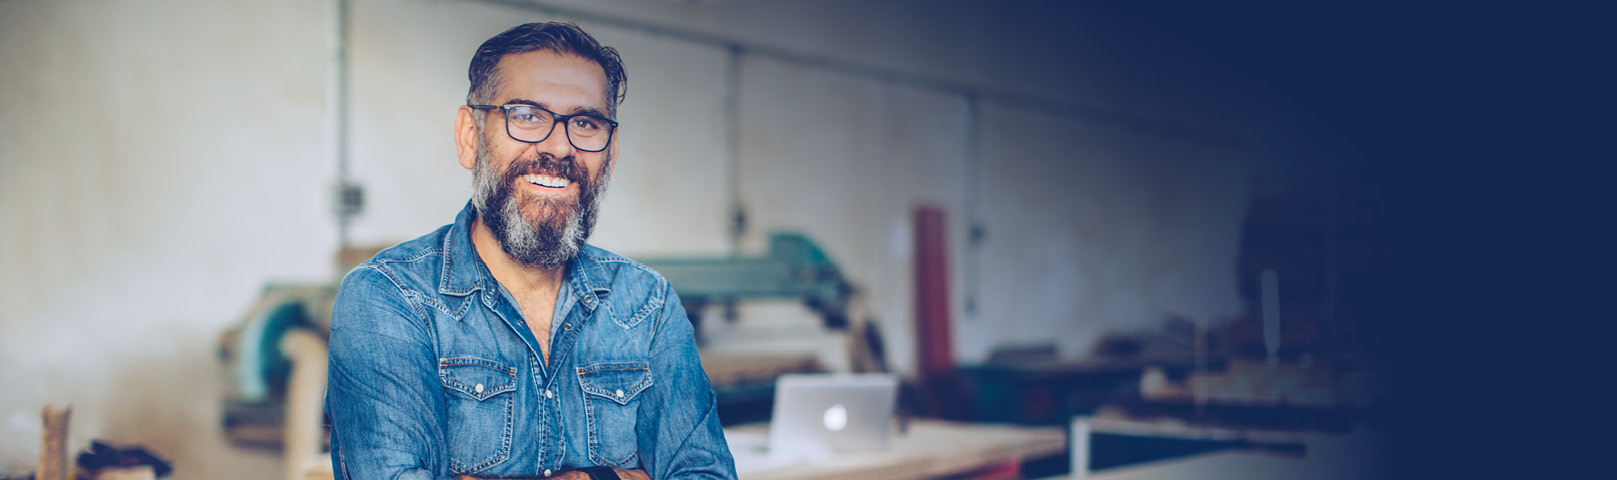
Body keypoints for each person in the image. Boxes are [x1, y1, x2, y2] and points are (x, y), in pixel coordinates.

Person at [326, 22, 737, 480]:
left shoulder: (647, 303)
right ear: (470, 136)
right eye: (526, 115)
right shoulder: (390, 297)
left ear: (612, 152)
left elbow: (707, 474)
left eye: (585, 123)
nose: (559, 146)